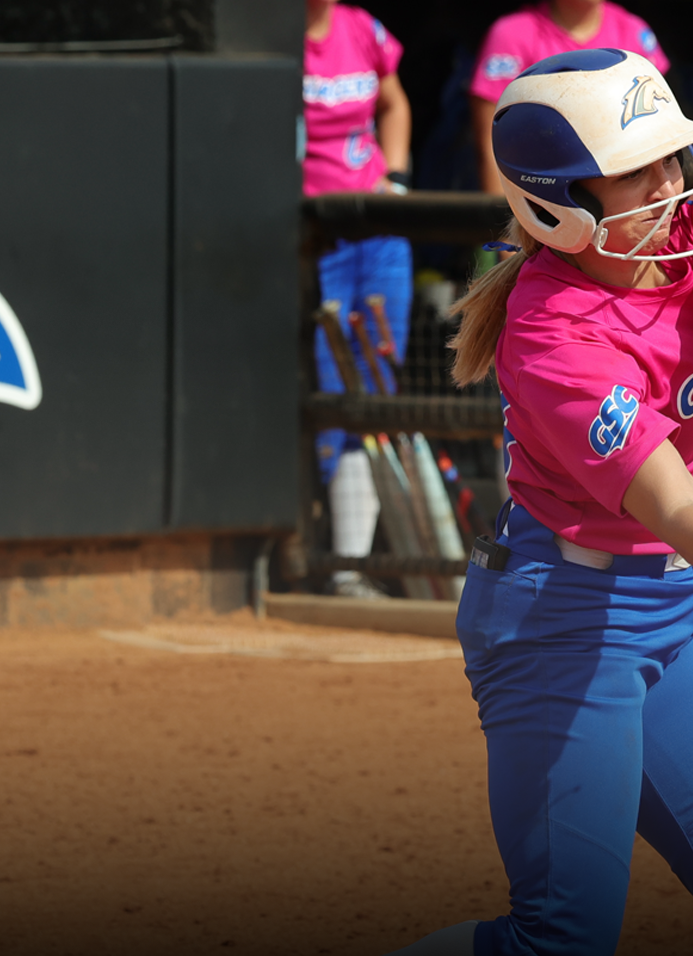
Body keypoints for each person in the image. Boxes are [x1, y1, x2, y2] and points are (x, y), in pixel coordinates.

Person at [221, 49, 693, 956]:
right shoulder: (554, 333)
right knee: (560, 949)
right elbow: (683, 519)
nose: (670, 181)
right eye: (639, 167)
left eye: (671, 156)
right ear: (559, 203)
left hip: (664, 612)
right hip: (561, 625)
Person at [302, 0, 414, 597]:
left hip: (380, 235)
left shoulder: (362, 26)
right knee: (329, 386)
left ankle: (350, 562)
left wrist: (393, 176)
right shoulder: (276, 36)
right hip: (318, 240)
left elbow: (394, 101)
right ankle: (327, 554)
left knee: (377, 385)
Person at [469, 1, 668, 194]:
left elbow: (662, 128)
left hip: (626, 192)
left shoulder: (633, 30)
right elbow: (489, 143)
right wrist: (501, 217)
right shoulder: (511, 33)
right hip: (542, 193)